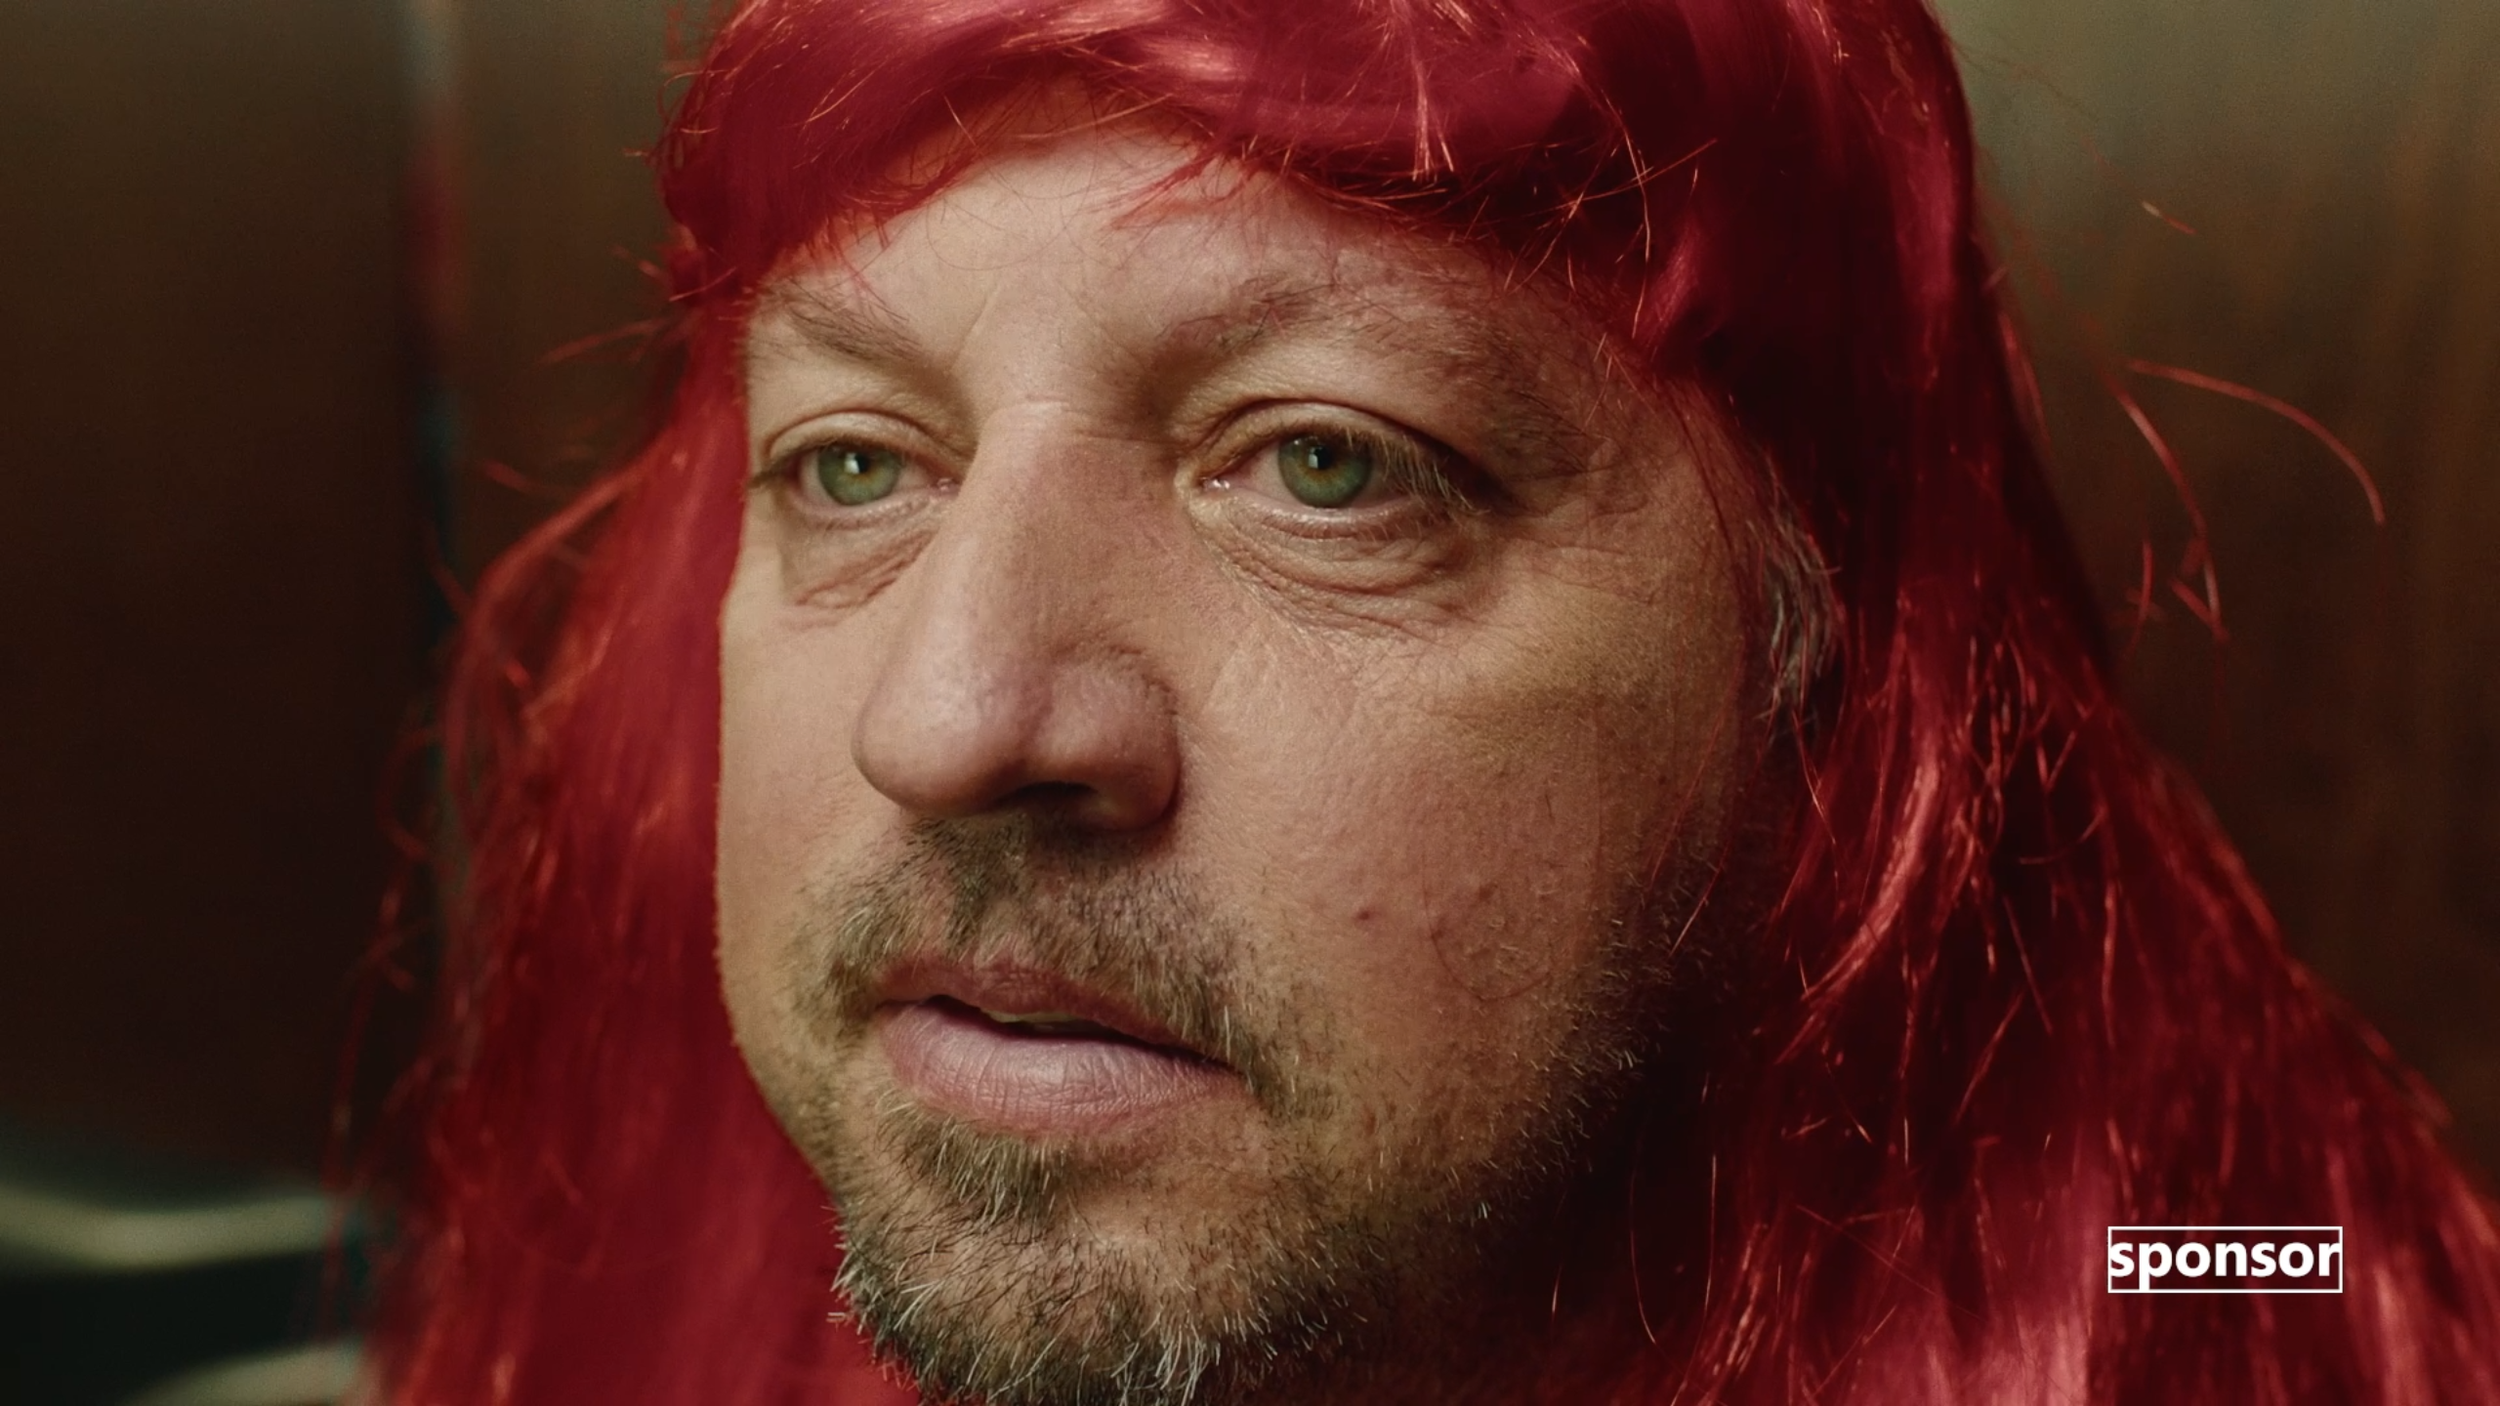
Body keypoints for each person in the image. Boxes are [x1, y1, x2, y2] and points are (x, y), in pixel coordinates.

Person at [367, 0, 2500, 1402]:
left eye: (1328, 463)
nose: (941, 720)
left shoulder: (2191, 1255)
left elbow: (2237, 1259)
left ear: (1826, 676)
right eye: (854, 462)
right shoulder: (653, 1284)